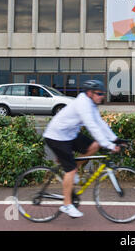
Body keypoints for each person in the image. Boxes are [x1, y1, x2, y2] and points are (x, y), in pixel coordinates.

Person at [42, 80, 123, 218]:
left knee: (95, 145)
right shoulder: (83, 104)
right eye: (99, 93)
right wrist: (109, 145)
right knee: (70, 170)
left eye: (103, 94)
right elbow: (92, 127)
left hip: (70, 134)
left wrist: (114, 139)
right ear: (90, 93)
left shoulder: (91, 103)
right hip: (57, 136)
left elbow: (100, 123)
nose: (101, 96)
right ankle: (67, 205)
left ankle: (73, 171)